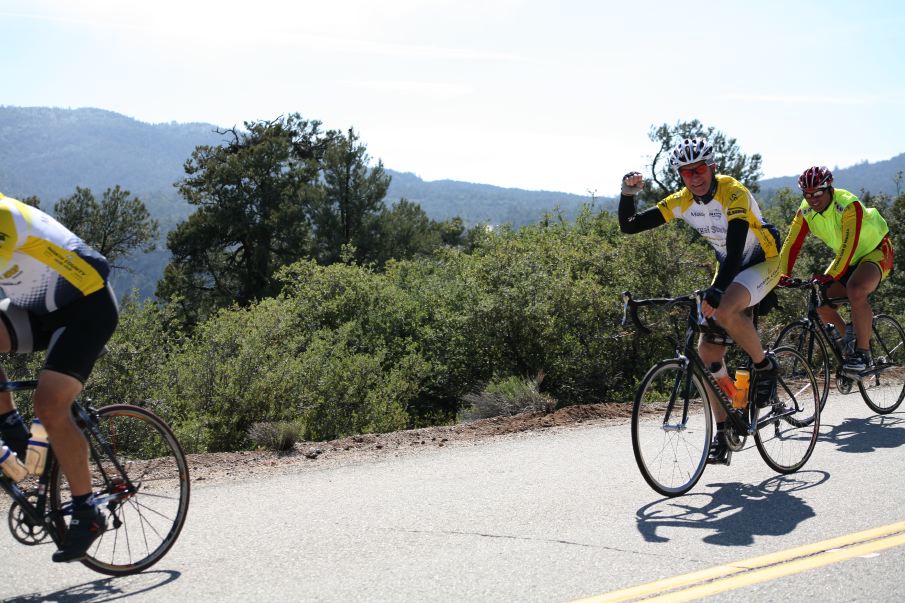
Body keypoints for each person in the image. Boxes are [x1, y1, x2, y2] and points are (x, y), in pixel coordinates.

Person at [619, 137, 783, 465]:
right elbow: (630, 226)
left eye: (700, 169)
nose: (695, 176)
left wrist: (718, 290)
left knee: (725, 307)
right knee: (708, 353)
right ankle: (725, 431)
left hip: (763, 260)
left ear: (713, 167)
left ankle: (765, 367)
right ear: (681, 175)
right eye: (686, 171)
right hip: (730, 268)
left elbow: (736, 250)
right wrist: (627, 194)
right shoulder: (681, 201)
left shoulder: (732, 191)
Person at [0, 192, 118, 562]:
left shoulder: (3, 216)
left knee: (50, 406)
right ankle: (13, 429)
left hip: (87, 307)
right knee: (31, 424)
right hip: (40, 310)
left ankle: (87, 511)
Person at [778, 166, 893, 374]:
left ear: (829, 188)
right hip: (848, 258)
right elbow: (791, 244)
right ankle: (850, 344)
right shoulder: (805, 211)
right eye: (807, 194)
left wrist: (829, 276)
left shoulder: (849, 205)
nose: (812, 199)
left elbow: (849, 247)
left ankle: (863, 353)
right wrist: (781, 274)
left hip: (875, 250)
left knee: (856, 290)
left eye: (818, 193)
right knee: (823, 304)